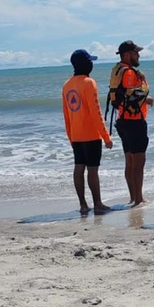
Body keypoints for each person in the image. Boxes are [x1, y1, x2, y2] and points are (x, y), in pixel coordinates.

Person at [61, 49, 113, 215]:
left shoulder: (67, 85)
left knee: (79, 167)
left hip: (76, 135)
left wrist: (71, 138)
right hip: (91, 134)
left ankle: (83, 205)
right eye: (90, 61)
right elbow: (96, 112)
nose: (92, 64)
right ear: (85, 64)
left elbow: (66, 115)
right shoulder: (89, 83)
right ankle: (98, 204)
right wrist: (106, 137)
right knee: (92, 170)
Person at [108, 40, 153, 206]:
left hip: (122, 120)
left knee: (130, 162)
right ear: (127, 55)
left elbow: (125, 96)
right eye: (135, 53)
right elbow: (132, 97)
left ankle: (133, 197)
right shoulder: (128, 73)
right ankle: (138, 199)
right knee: (138, 163)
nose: (138, 55)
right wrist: (147, 96)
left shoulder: (118, 70)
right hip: (134, 122)